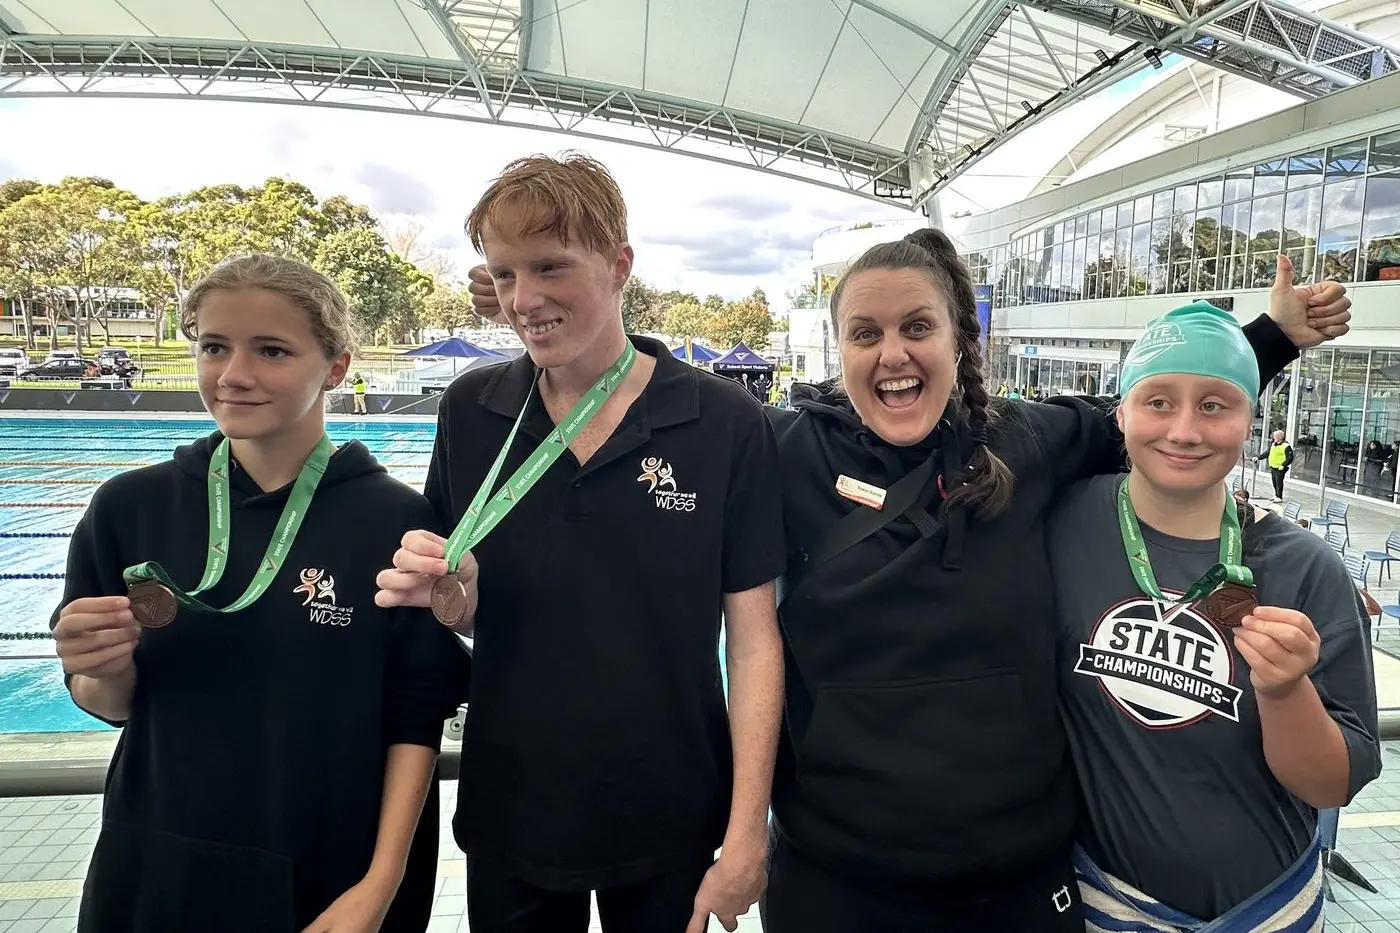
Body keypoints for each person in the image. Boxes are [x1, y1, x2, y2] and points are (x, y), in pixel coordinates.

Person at [757, 233, 1351, 932]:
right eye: (867, 333)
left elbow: (1161, 411)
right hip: (836, 881)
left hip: (1015, 885)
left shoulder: (1025, 441)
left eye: (918, 326)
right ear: (840, 350)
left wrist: (1272, 336)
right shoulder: (784, 452)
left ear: (958, 341)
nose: (894, 353)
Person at [377, 154, 785, 933]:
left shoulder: (723, 421)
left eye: (550, 267)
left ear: (619, 264)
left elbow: (755, 640)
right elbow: (461, 605)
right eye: (503, 274)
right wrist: (448, 594)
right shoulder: (472, 409)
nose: (523, 299)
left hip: (674, 817)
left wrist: (745, 832)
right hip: (514, 812)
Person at [51, 254, 470, 933]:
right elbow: (111, 703)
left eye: (271, 350)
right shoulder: (128, 508)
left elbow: (415, 715)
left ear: (335, 367)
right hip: (158, 863)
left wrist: (380, 883)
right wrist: (101, 667)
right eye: (214, 346)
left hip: (330, 875)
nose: (234, 374)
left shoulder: (395, 523)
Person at [1049, 302, 1379, 932]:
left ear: (1251, 420)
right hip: (1108, 905)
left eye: (1214, 405)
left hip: (1264, 909)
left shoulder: (1305, 569)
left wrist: (1284, 691)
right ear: (1118, 413)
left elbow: (1333, 784)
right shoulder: (1061, 523)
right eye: (1157, 402)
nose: (1183, 431)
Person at [1256, 429, 1294, 501]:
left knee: (1279, 482)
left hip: (1280, 468)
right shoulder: (1273, 444)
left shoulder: (1286, 446)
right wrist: (1258, 457)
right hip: (1273, 466)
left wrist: (1283, 465)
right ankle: (1276, 495)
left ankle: (1279, 497)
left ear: (1280, 437)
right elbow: (1267, 453)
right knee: (1274, 481)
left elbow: (1290, 457)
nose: (1274, 437)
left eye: (1275, 436)